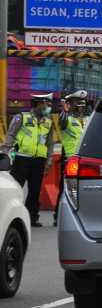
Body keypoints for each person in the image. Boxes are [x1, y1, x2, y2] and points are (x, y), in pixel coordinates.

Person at [0, 93, 54, 227]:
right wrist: (5, 153)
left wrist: (48, 160)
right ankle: (10, 215)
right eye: (46, 104)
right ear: (38, 104)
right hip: (22, 159)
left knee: (35, 191)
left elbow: (50, 143)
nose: (48, 107)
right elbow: (11, 134)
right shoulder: (22, 117)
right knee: (16, 188)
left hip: (39, 161)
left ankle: (32, 218)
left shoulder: (48, 122)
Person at [53, 90, 88, 226]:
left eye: (83, 104)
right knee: (66, 190)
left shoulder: (85, 120)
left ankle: (79, 217)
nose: (81, 106)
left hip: (84, 160)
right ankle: (58, 216)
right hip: (70, 160)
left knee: (82, 189)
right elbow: (61, 123)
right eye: (78, 104)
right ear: (71, 105)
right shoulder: (67, 119)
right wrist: (65, 110)